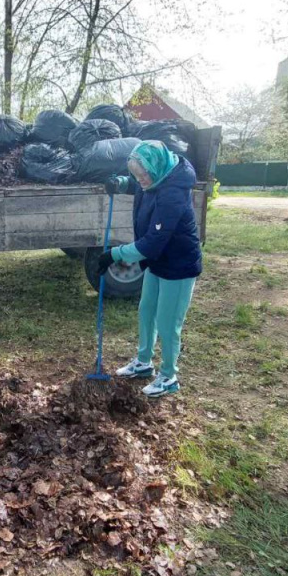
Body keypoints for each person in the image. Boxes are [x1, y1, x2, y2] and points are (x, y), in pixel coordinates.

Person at [98, 140, 202, 398]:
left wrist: (114, 254)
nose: (141, 180)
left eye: (143, 175)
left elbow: (152, 243)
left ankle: (169, 376)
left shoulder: (173, 193)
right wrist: (123, 183)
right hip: (158, 262)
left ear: (156, 169)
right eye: (136, 175)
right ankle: (144, 363)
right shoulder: (157, 178)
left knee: (168, 324)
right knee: (146, 311)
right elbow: (141, 185)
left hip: (178, 265)